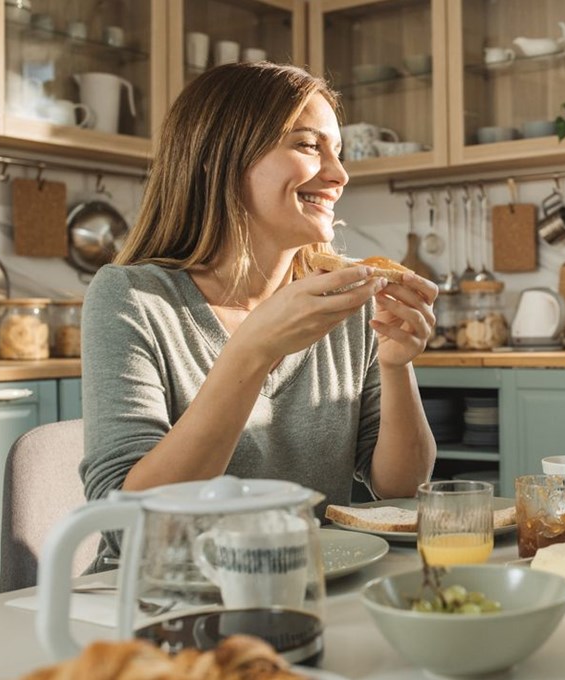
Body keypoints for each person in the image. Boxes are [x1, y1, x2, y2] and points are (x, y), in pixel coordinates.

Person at [80, 63, 437, 567]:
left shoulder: (346, 299)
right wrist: (253, 349)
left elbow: (400, 489)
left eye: (339, 152)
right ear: (218, 158)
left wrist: (397, 365)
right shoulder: (133, 298)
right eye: (309, 146)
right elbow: (129, 527)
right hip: (161, 603)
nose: (339, 175)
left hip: (305, 588)